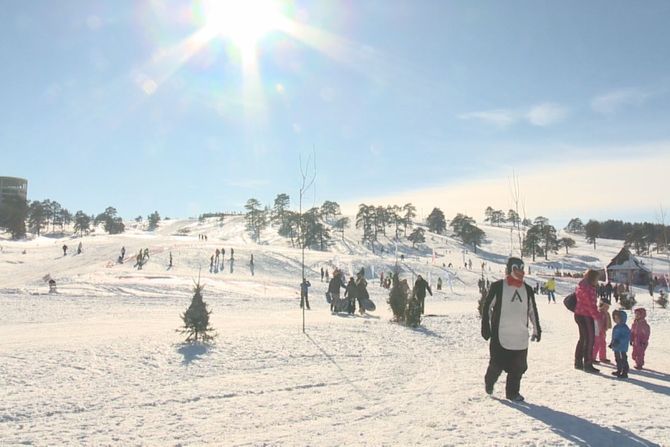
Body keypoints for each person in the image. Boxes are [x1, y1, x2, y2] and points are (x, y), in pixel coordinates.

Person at [482, 257, 541, 402]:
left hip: (520, 335)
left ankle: (512, 393)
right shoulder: (498, 287)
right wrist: (486, 325)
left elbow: (532, 310)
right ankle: (489, 382)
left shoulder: (527, 289)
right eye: (517, 268)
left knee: (519, 367)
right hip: (501, 334)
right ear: (509, 269)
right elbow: (487, 306)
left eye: (522, 268)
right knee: (497, 365)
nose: (520, 272)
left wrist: (536, 329)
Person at [574, 269, 601, 373]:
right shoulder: (588, 288)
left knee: (583, 338)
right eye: (597, 279)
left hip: (580, 314)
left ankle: (578, 362)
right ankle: (588, 363)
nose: (597, 281)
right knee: (590, 339)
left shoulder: (582, 286)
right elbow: (590, 305)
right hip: (585, 315)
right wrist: (596, 316)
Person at [610, 310, 631, 378]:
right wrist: (612, 343)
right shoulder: (616, 327)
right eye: (615, 318)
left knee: (623, 359)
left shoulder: (625, 327)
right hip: (616, 347)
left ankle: (625, 371)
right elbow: (614, 336)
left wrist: (619, 341)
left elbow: (626, 337)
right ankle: (619, 370)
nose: (616, 320)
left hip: (622, 347)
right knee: (617, 359)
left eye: (618, 318)